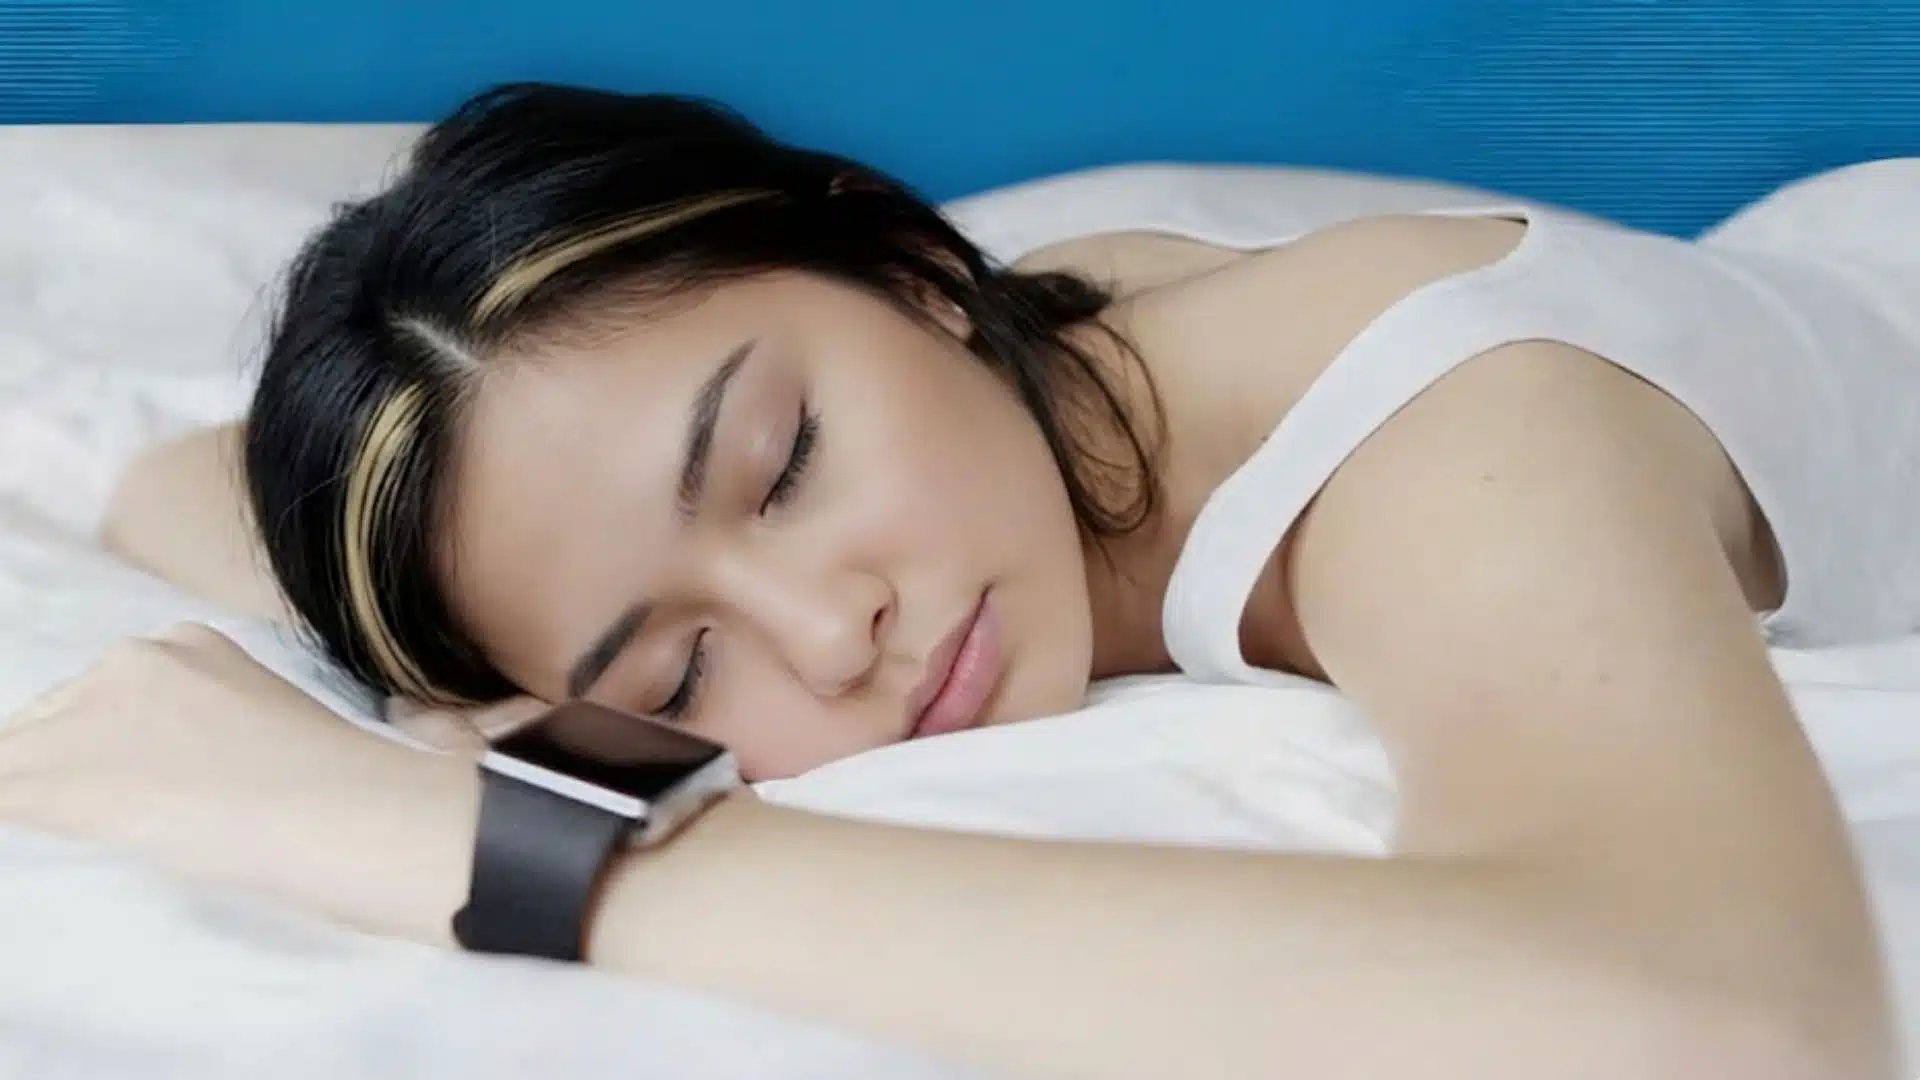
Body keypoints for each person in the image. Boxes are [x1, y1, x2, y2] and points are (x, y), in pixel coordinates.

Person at [7, 82, 1916, 1078]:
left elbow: (1715, 1026)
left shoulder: (1466, 438)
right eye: (673, 674)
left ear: (913, 272)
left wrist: (496, 853)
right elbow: (212, 498)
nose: (832, 632)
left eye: (785, 466)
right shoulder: (948, 379)